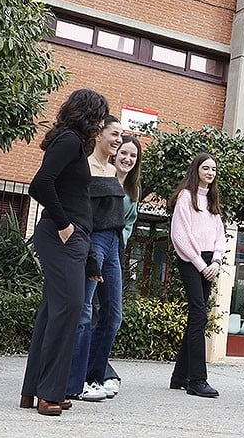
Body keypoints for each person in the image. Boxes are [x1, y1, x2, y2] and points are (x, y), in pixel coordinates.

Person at [20, 88, 109, 417]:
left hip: (74, 239)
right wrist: (63, 225)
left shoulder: (73, 144)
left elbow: (78, 201)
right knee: (68, 309)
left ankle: (33, 391)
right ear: (88, 115)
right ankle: (49, 393)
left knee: (52, 313)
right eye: (99, 117)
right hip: (61, 236)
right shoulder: (69, 141)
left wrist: (90, 259)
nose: (101, 124)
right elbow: (40, 184)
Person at [66, 115, 125, 402]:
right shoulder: (84, 167)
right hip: (94, 242)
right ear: (98, 134)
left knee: (113, 315)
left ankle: (94, 376)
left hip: (113, 243)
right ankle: (75, 382)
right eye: (114, 134)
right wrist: (89, 252)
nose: (119, 140)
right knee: (84, 312)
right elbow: (83, 214)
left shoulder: (113, 171)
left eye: (121, 136)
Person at [168, 152, 227, 398]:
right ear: (196, 170)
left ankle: (179, 376)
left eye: (213, 169)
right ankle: (197, 380)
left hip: (209, 262)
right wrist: (201, 265)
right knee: (200, 314)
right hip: (190, 260)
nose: (210, 173)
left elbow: (220, 236)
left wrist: (216, 260)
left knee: (197, 317)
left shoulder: (212, 200)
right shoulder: (185, 196)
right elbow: (180, 236)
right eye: (205, 168)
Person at [102, 134, 142, 395]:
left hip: (116, 252)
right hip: (96, 249)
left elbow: (129, 223)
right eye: (124, 153)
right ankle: (99, 371)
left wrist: (120, 240)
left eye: (133, 155)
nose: (127, 159)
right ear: (115, 154)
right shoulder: (102, 178)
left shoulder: (133, 190)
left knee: (112, 315)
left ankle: (100, 367)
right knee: (93, 312)